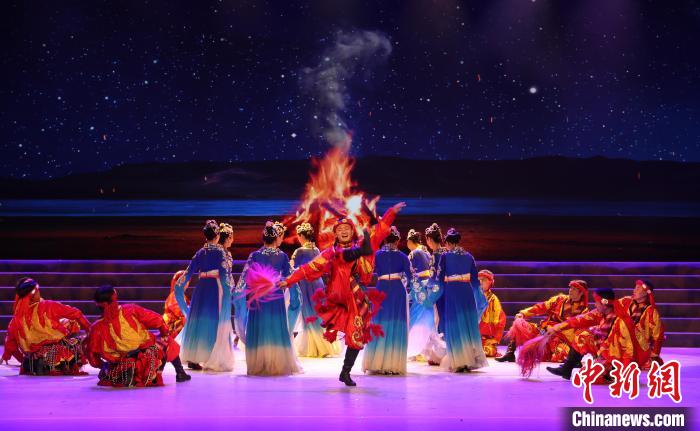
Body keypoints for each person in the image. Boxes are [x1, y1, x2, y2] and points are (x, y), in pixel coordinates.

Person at [280, 202, 406, 386]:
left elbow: (378, 232)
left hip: (355, 298)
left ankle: (345, 372)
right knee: (346, 331)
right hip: (337, 300)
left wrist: (391, 212)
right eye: (340, 229)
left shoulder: (359, 247)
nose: (344, 231)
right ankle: (343, 368)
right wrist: (289, 280)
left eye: (347, 228)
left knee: (356, 334)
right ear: (336, 233)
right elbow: (309, 268)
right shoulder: (330, 253)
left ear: (352, 231)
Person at [87, 285, 190, 386]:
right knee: (167, 340)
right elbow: (157, 320)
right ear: (114, 298)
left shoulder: (95, 328)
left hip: (122, 366)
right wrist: (164, 333)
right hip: (144, 358)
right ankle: (180, 373)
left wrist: (105, 366)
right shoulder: (129, 309)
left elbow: (92, 357)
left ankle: (126, 373)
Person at [241, 222, 301, 376]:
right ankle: (276, 363)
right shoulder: (282, 256)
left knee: (261, 325)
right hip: (275, 293)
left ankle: (259, 363)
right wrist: (287, 283)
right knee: (274, 326)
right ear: (276, 239)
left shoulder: (255, 255)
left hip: (259, 295)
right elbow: (290, 277)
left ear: (263, 239)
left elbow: (244, 278)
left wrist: (240, 291)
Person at [173, 220, 234, 371]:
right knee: (212, 320)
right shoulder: (220, 252)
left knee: (199, 320)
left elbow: (188, 273)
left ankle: (193, 357)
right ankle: (210, 356)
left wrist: (179, 286)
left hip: (200, 288)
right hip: (214, 288)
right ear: (217, 236)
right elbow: (224, 274)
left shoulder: (200, 252)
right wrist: (229, 291)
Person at [545, 287, 644, 381]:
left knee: (588, 377)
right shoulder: (601, 313)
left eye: (596, 302)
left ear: (604, 303)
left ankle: (611, 373)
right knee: (582, 335)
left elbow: (629, 351)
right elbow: (579, 320)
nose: (595, 305)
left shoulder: (621, 322)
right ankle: (567, 368)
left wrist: (625, 373)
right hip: (606, 353)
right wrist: (558, 327)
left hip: (619, 361)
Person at [1, 277, 90, 376]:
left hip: (33, 365)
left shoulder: (14, 321)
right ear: (33, 293)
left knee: (65, 323)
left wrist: (20, 360)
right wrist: (89, 329)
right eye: (38, 290)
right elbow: (76, 313)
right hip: (57, 360)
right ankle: (61, 365)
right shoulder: (48, 306)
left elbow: (10, 346)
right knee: (76, 335)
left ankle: (37, 364)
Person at [497, 280, 589, 363]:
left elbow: (576, 332)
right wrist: (523, 314)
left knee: (561, 355)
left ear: (581, 293)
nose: (570, 290)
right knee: (519, 324)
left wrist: (555, 330)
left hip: (559, 338)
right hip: (543, 331)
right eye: (570, 288)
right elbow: (541, 307)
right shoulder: (559, 299)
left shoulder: (583, 311)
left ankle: (545, 352)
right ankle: (510, 353)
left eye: (574, 289)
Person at [436, 228, 488, 372]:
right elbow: (476, 281)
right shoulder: (469, 256)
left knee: (454, 325)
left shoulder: (445, 256)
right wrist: (480, 297)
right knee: (467, 325)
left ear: (447, 243)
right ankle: (469, 360)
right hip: (466, 292)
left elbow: (439, 279)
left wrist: (432, 294)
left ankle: (458, 360)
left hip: (452, 291)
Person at [362, 226, 412, 375]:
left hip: (381, 288)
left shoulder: (377, 254)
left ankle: (376, 362)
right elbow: (410, 277)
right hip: (397, 290)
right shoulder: (403, 256)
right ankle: (393, 363)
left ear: (384, 239)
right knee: (397, 324)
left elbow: (367, 272)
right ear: (397, 240)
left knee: (379, 322)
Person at [289, 223, 341, 357]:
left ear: (302, 236)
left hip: (306, 283)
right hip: (318, 283)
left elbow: (292, 268)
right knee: (319, 313)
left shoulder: (299, 251)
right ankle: (324, 344)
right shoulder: (316, 249)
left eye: (298, 236)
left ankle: (315, 346)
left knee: (308, 313)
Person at [406, 229, 440, 360]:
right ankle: (426, 349)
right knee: (426, 316)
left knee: (416, 317)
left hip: (419, 287)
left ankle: (416, 349)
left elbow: (408, 272)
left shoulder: (414, 253)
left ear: (410, 242)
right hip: (428, 287)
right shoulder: (426, 251)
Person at [620, 279, 664, 368]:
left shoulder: (651, 311)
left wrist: (655, 354)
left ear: (645, 293)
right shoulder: (626, 301)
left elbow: (658, 334)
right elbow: (610, 307)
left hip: (638, 347)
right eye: (635, 288)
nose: (634, 290)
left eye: (638, 288)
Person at [478, 270, 507, 358]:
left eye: (484, 280)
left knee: (489, 351)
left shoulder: (493, 300)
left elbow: (501, 320)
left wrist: (495, 339)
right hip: (472, 337)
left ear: (490, 282)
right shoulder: (471, 297)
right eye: (479, 279)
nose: (480, 282)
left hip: (486, 338)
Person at [425, 223, 447, 334]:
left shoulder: (435, 255)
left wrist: (426, 286)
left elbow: (433, 277)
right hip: (448, 287)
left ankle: (441, 336)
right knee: (445, 314)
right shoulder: (446, 252)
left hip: (438, 289)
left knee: (438, 314)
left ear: (429, 239)